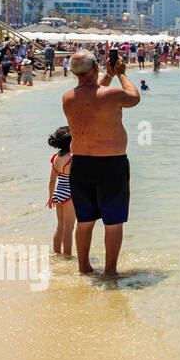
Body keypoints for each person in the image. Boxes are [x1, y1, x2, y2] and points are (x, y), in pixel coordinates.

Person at [61, 49, 140, 276]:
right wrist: (121, 74)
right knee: (113, 222)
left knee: (85, 220)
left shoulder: (68, 97)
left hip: (82, 164)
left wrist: (108, 74)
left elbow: (93, 94)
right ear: (95, 68)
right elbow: (134, 97)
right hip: (111, 164)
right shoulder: (112, 95)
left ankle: (83, 267)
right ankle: (110, 271)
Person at [46, 126, 75, 256]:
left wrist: (51, 197)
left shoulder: (55, 158)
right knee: (69, 228)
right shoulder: (72, 158)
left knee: (60, 226)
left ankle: (56, 253)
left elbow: (52, 181)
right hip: (69, 195)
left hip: (58, 193)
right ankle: (67, 256)